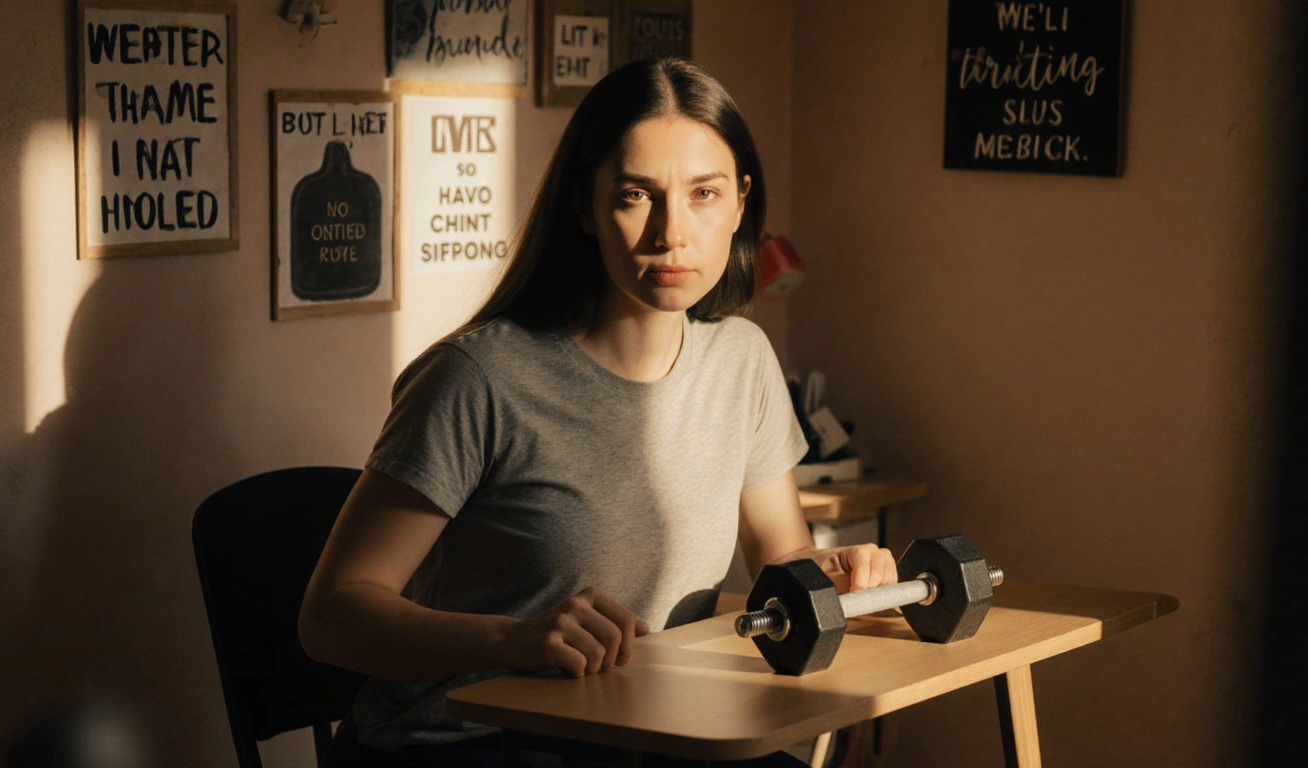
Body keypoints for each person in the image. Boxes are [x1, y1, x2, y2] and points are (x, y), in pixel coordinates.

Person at [300, 57, 899, 767]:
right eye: (636, 195)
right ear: (585, 205)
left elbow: (781, 557)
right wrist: (513, 638)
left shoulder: (742, 359)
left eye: (703, 194)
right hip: (461, 743)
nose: (671, 233)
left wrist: (836, 574)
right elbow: (332, 615)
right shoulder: (479, 378)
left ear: (741, 202)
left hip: (647, 730)